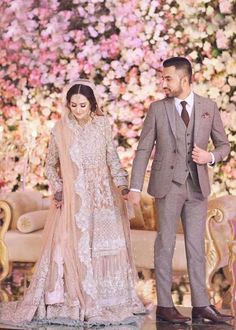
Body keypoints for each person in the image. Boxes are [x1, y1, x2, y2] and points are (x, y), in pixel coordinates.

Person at [0, 79, 145, 327]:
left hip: (103, 198)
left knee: (102, 248)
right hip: (74, 200)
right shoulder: (60, 129)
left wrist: (122, 186)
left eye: (82, 105)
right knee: (74, 247)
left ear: (92, 105)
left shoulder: (102, 126)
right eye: (73, 105)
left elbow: (113, 160)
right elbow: (50, 165)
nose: (77, 110)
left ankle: (109, 300)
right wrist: (58, 189)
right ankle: (74, 300)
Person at [129, 57, 233, 324]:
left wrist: (209, 157)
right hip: (167, 185)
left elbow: (224, 146)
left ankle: (201, 305)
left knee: (197, 246)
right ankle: (164, 305)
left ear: (184, 79)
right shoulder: (157, 109)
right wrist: (135, 187)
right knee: (164, 243)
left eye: (168, 78)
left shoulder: (208, 107)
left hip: (197, 188)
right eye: (162, 78)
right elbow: (143, 150)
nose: (163, 83)